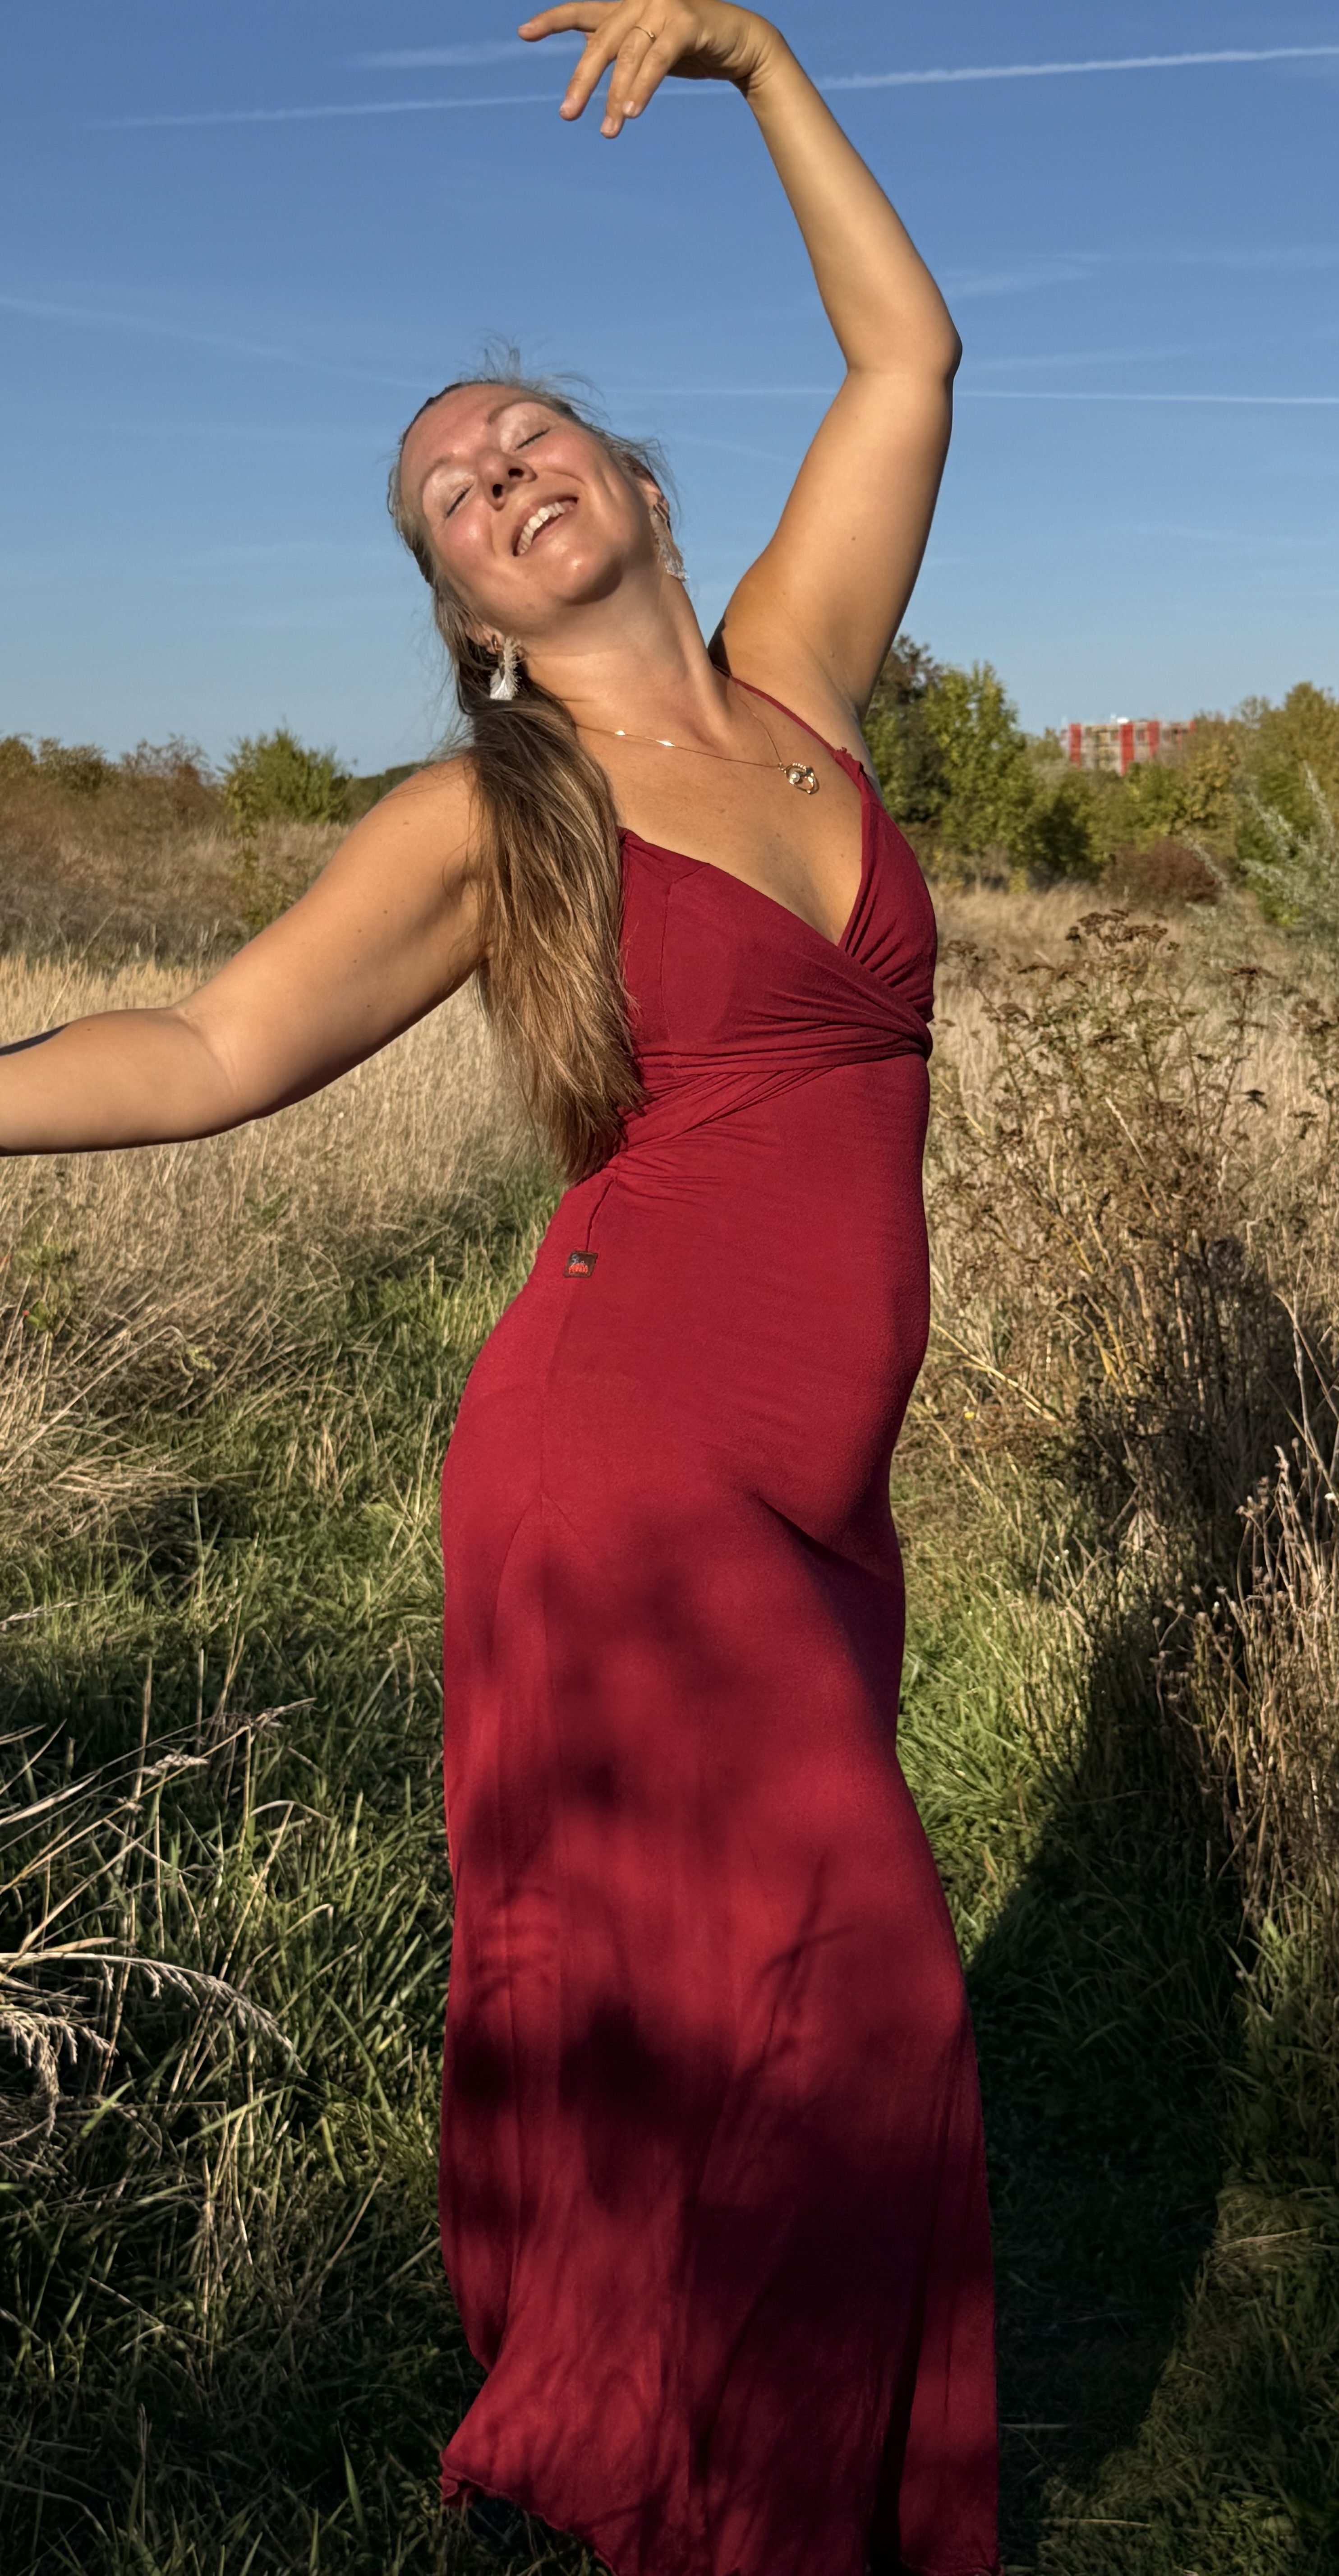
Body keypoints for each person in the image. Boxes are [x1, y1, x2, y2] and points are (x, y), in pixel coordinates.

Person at [0, 6, 999, 2570]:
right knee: (860, 1979)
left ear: (641, 487)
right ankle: (750, 2497)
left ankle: (698, 2460)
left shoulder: (804, 695)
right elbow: (211, 1048)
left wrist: (760, 59)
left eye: (528, 434)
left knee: (729, 1996)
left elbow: (908, 357)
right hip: (624, 1460)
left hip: (820, 1496)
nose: (497, 470)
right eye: (451, 490)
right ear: (462, 609)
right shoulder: (493, 811)